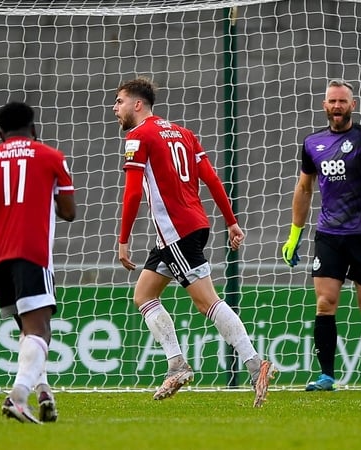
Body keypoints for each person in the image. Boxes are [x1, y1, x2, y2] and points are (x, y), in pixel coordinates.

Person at [113, 77, 274, 407]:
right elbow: (212, 178)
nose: (115, 109)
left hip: (176, 233)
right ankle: (177, 364)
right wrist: (230, 221)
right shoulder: (183, 134)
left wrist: (123, 239)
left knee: (206, 302)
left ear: (137, 104)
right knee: (144, 295)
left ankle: (255, 364)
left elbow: (131, 193)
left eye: (119, 102)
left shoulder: (137, 137)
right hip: (190, 226)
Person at [0, 101, 76, 423]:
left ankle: (44, 391)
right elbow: (69, 212)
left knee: (27, 330)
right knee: (40, 331)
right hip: (31, 252)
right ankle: (18, 396)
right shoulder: (51, 156)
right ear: (34, 130)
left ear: (0, 133)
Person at [281, 79, 361, 391]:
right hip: (329, 235)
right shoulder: (311, 143)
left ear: (352, 105)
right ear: (324, 105)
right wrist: (294, 235)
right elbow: (304, 188)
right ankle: (327, 375)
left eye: (342, 102)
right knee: (324, 302)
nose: (336, 107)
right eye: (332, 101)